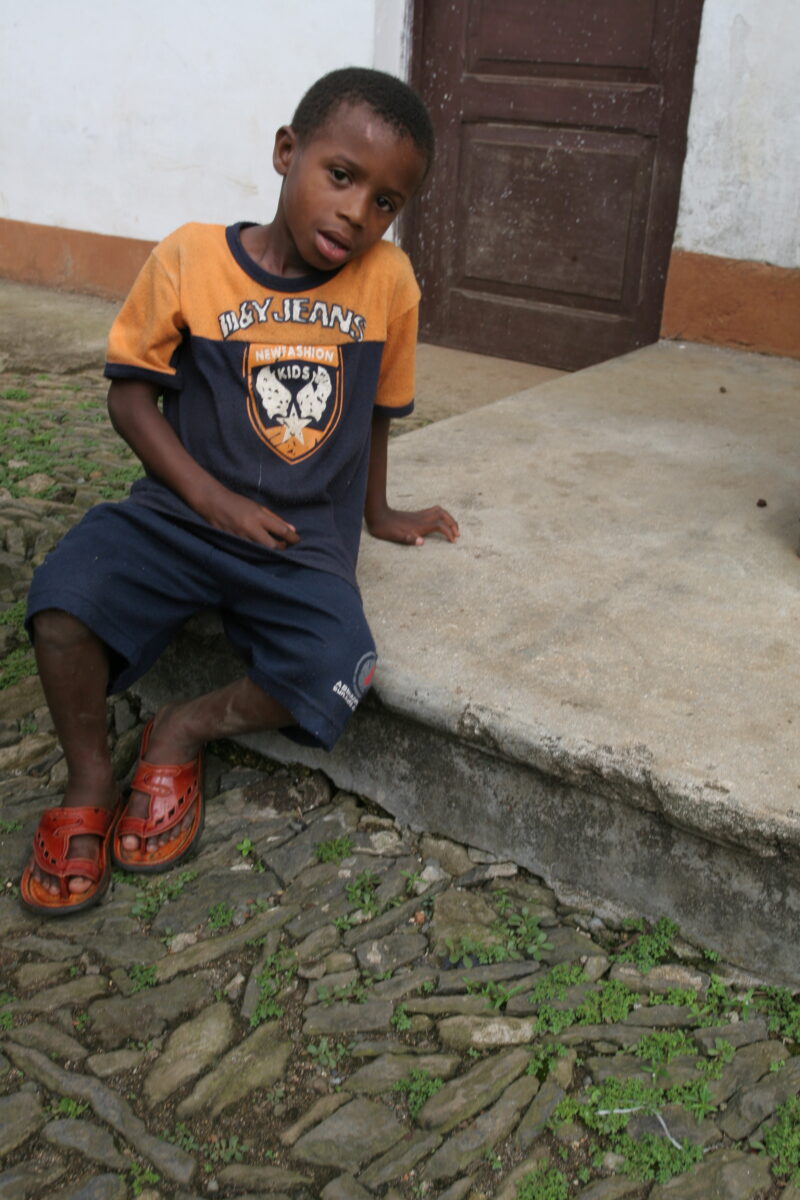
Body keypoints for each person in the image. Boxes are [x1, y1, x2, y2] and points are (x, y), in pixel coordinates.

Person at [20, 67, 459, 915]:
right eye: (341, 176)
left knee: (342, 666)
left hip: (301, 544)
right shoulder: (191, 258)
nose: (357, 213)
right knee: (63, 604)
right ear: (287, 152)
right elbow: (129, 398)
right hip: (177, 517)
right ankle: (89, 778)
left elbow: (375, 411)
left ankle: (181, 729)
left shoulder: (390, 284)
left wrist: (377, 514)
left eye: (385, 202)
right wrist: (209, 499)